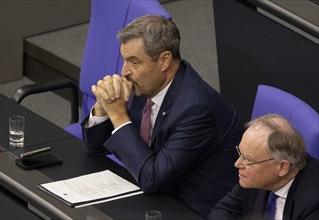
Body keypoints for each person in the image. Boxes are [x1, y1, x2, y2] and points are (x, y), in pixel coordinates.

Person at [81, 15, 244, 217]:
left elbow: (152, 179)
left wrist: (119, 115)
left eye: (134, 61)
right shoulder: (147, 84)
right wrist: (103, 107)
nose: (125, 72)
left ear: (164, 60)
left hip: (194, 208)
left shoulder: (196, 109)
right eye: (124, 60)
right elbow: (95, 148)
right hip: (158, 191)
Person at [208, 114, 319, 220]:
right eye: (240, 153)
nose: (237, 164)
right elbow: (224, 210)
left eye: (248, 159)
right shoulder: (254, 178)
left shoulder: (313, 204)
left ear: (282, 167)